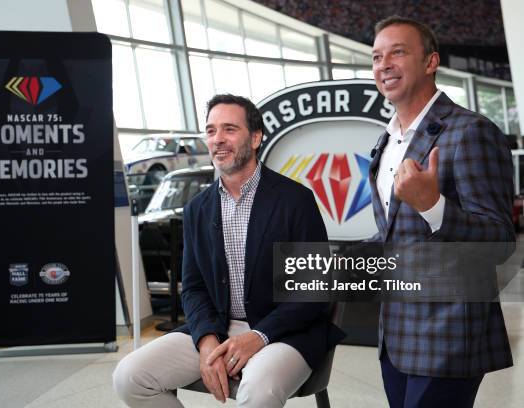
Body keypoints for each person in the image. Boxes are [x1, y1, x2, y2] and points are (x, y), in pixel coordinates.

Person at [113, 94, 344, 407]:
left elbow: (312, 292)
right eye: (210, 131)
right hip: (219, 327)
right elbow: (193, 289)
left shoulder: (295, 201)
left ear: (256, 137)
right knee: (130, 376)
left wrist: (257, 337)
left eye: (229, 129)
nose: (217, 139)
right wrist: (207, 341)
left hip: (284, 331)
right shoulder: (198, 208)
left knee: (258, 390)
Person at [368, 16, 514, 407]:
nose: (384, 64)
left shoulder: (471, 132)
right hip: (396, 335)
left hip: (451, 331)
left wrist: (433, 206)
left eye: (397, 52)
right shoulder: (386, 142)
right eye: (377, 56)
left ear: (431, 62)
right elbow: (394, 236)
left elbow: (499, 242)